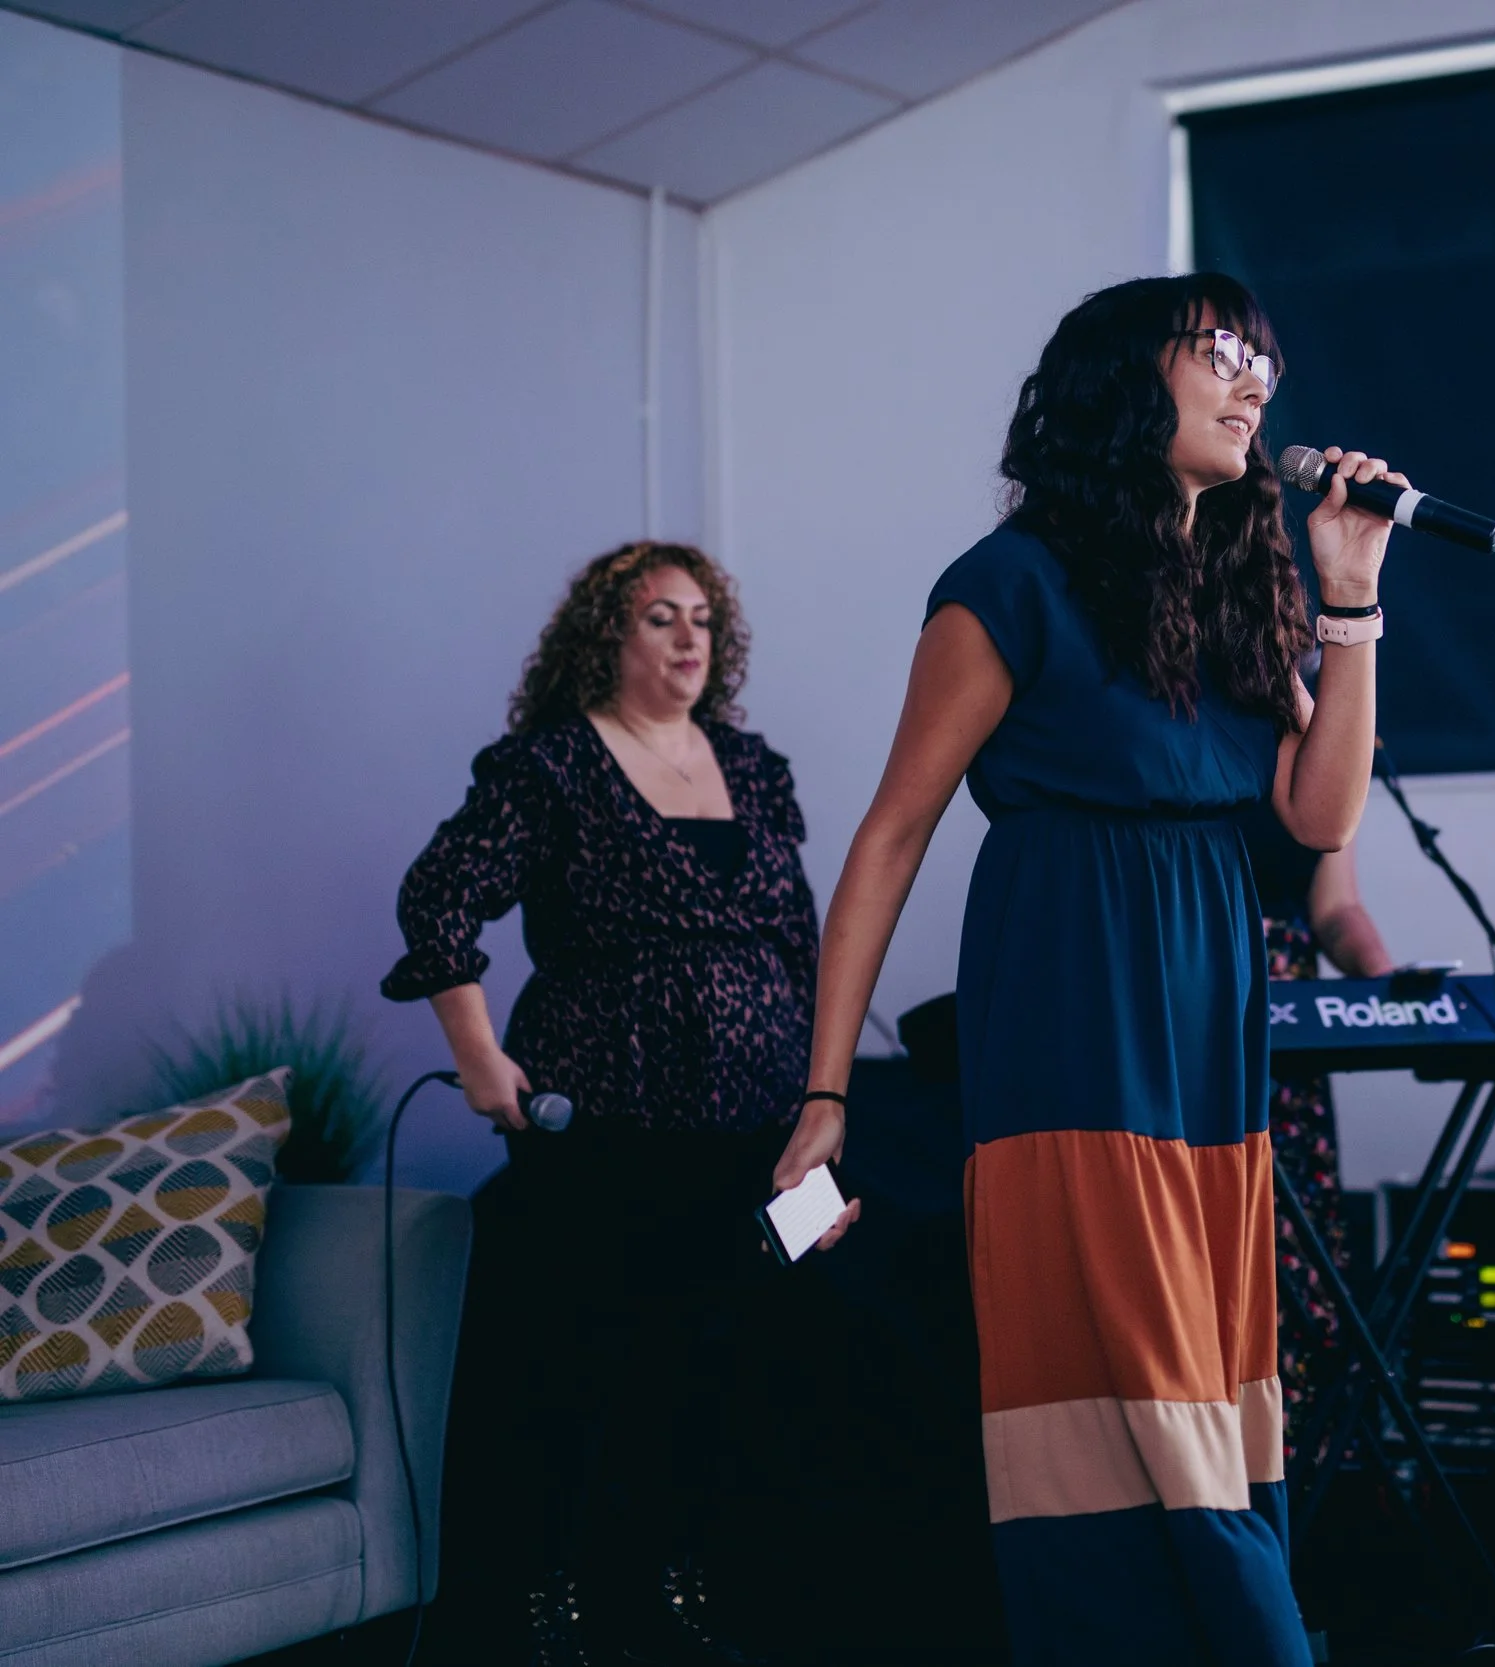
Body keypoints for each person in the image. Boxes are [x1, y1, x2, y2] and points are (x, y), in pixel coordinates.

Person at [771, 273, 1399, 1666]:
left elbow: (1323, 817)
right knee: (1136, 1364)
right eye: (1223, 353)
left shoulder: (1241, 583)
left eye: (1266, 361)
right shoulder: (1011, 581)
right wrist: (826, 1093)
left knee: (1206, 1377)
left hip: (1208, 1008)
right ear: (1127, 380)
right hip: (1074, 992)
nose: (1255, 385)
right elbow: (888, 838)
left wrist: (1347, 598)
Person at [383, 542, 824, 1667]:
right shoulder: (551, 767)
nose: (688, 638)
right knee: (588, 1365)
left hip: (759, 1124)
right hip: (607, 1121)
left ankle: (682, 1592)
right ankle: (557, 1603)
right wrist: (482, 1062)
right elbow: (438, 899)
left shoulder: (754, 767)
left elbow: (799, 944)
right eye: (658, 617)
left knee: (724, 1364)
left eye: (702, 620)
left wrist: (824, 1104)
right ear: (606, 638)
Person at [1241, 809, 1393, 1463]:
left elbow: (1334, 910)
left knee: (1297, 1243)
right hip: (1184, 992)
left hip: (1288, 1042)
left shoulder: (1317, 731)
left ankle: (1307, 1463)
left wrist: (1391, 986)